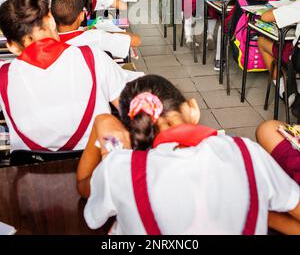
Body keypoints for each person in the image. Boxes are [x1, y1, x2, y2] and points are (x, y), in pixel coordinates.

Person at [77, 75, 300, 235]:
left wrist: (102, 122)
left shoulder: (119, 169)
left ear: (133, 132)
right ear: (192, 109)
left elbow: (83, 187)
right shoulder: (247, 152)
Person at [0, 0, 142, 152]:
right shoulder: (92, 59)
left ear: (11, 47)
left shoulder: (4, 76)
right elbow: (132, 111)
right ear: (52, 21)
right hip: (94, 168)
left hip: (30, 172)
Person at [51, 0, 141, 58]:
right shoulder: (96, 37)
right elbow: (136, 40)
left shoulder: (43, 39)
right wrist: (105, 32)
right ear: (82, 16)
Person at [258, 0, 300, 103]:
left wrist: (282, 8)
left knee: (262, 41)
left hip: (297, 59)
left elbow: (265, 17)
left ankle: (283, 90)